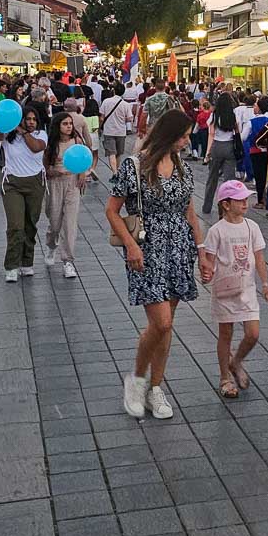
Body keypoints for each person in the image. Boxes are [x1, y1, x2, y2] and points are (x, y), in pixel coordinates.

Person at [107, 109, 203, 421]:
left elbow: (189, 211)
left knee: (167, 324)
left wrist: (201, 249)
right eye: (183, 136)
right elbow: (112, 211)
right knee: (160, 323)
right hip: (146, 249)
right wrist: (131, 245)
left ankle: (156, 387)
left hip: (179, 248)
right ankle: (136, 379)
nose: (187, 141)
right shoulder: (135, 166)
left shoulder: (182, 167)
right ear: (168, 134)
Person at [200, 179, 268, 400]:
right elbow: (209, 261)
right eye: (240, 200)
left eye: (245, 200)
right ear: (226, 204)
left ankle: (236, 361)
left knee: (253, 333)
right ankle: (225, 378)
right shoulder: (216, 231)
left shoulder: (252, 227)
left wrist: (266, 284)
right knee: (226, 333)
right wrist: (206, 274)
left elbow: (259, 257)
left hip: (246, 289)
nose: (244, 204)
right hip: (224, 290)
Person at [0, 109, 48, 282]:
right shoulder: (8, 136)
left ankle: (27, 262)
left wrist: (23, 132)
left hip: (35, 183)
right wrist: (2, 132)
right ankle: (11, 265)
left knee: (30, 224)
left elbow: (36, 148)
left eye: (34, 119)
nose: (31, 122)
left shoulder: (41, 135)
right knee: (16, 226)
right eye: (27, 119)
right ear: (20, 120)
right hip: (12, 185)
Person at [44, 112, 86, 280]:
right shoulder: (52, 144)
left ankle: (68, 261)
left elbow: (84, 158)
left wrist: (82, 173)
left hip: (72, 183)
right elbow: (46, 168)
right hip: (55, 183)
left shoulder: (77, 141)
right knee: (55, 222)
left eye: (70, 123)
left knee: (69, 223)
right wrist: (54, 171)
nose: (69, 126)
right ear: (58, 126)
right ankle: (51, 244)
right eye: (65, 124)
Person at [200, 93, 241, 213]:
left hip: (217, 146)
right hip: (230, 147)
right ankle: (228, 207)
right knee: (229, 180)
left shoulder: (214, 115)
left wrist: (207, 152)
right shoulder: (233, 115)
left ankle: (207, 206)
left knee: (212, 178)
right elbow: (237, 130)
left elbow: (211, 134)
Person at [98, 86, 134, 174]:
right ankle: (117, 171)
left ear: (114, 91)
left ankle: (114, 172)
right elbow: (129, 119)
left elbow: (101, 118)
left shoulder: (106, 101)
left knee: (111, 153)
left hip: (108, 130)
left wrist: (99, 128)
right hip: (121, 131)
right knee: (118, 153)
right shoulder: (125, 104)